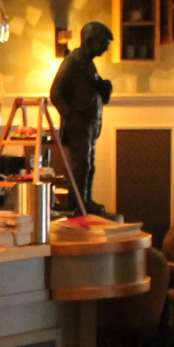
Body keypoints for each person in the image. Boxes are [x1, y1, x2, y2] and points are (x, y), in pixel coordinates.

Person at [50, 21, 114, 215]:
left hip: (89, 123)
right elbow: (55, 92)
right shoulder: (72, 62)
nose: (105, 48)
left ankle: (85, 200)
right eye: (103, 43)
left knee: (89, 165)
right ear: (90, 40)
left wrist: (103, 87)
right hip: (78, 124)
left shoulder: (87, 63)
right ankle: (78, 203)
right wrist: (70, 115)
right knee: (81, 165)